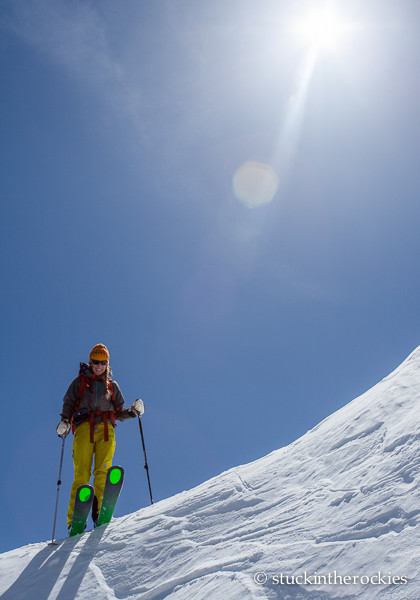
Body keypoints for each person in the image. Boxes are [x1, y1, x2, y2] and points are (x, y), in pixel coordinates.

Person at [56, 343, 144, 530]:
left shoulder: (112, 386)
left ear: (107, 363)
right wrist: (64, 421)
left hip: (106, 430)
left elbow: (119, 411)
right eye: (96, 361)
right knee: (81, 474)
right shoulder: (79, 383)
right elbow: (69, 403)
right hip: (84, 430)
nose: (99, 365)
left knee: (103, 472)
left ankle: (99, 514)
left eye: (103, 362)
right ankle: (74, 520)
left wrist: (133, 412)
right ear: (90, 361)